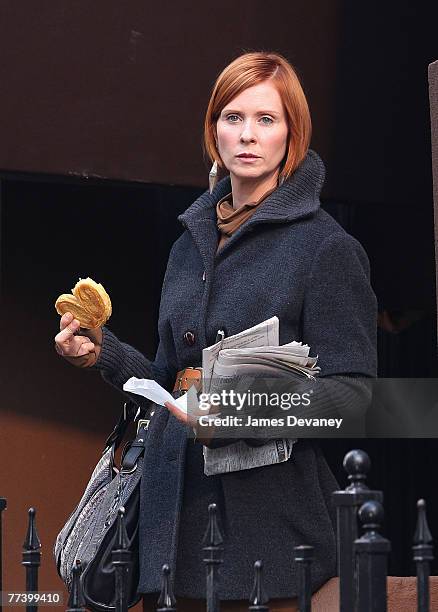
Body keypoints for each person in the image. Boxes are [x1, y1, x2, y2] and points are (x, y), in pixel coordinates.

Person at [54, 51, 377, 612]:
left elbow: (353, 398)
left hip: (268, 540)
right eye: (233, 118)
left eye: (266, 119)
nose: (247, 135)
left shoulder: (327, 249)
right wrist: (102, 353)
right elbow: (167, 383)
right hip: (171, 527)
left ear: (291, 136)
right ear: (214, 133)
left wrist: (228, 410)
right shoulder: (189, 245)